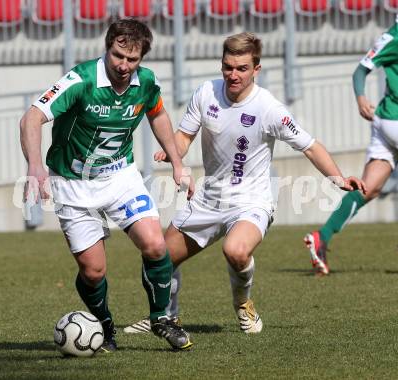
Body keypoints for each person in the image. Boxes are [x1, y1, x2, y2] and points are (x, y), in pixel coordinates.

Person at [124, 31, 366, 335]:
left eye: (241, 68)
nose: (233, 75)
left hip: (253, 199)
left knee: (236, 251)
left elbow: (310, 146)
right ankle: (166, 317)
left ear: (256, 70)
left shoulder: (269, 109)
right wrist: (173, 153)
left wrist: (338, 178)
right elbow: (185, 137)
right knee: (158, 259)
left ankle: (244, 306)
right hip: (210, 197)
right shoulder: (205, 94)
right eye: (228, 66)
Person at [19, 19, 194, 351]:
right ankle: (104, 325)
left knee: (156, 245)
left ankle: (161, 319)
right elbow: (31, 117)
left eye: (133, 60)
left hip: (120, 177)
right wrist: (35, 166)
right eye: (118, 56)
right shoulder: (81, 79)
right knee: (94, 271)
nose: (124, 66)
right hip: (72, 184)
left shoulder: (145, 82)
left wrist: (178, 163)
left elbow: (157, 114)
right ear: (107, 47)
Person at [304, 16, 398, 276]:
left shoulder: (391, 35)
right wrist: (360, 98)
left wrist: (361, 98)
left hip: (385, 121)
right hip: (395, 120)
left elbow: (360, 70)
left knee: (369, 187)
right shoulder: (395, 38)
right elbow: (360, 71)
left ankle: (321, 237)